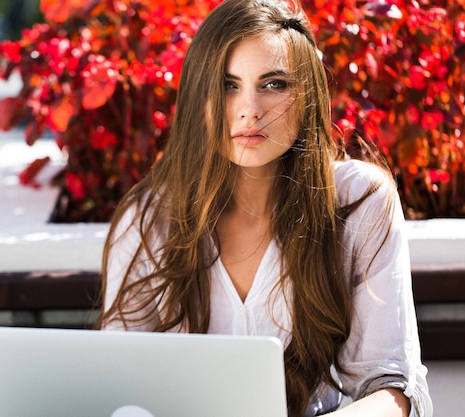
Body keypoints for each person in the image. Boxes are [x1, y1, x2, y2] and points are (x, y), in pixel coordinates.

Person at [97, 0, 433, 416]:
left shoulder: (360, 201)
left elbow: (392, 388)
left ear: (307, 95)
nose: (249, 109)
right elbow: (116, 383)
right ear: (199, 96)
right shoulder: (150, 218)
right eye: (227, 84)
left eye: (274, 84)